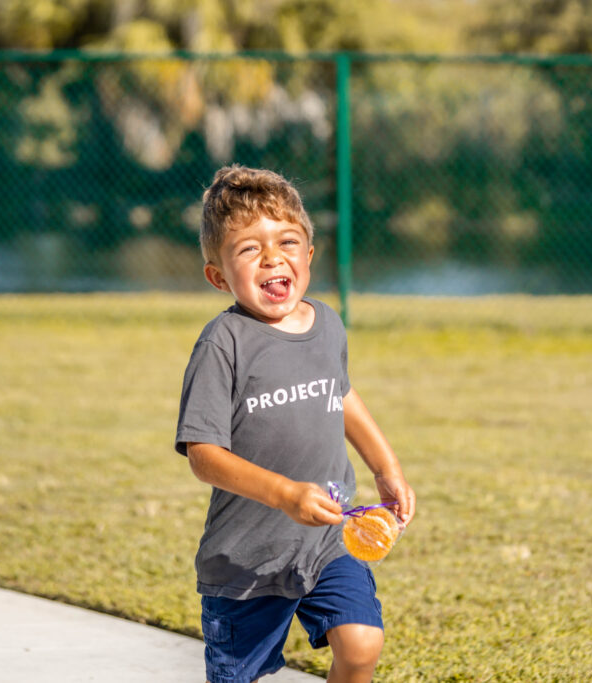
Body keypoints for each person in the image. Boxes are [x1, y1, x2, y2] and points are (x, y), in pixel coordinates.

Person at [175, 164, 416, 683]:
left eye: (286, 242)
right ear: (218, 276)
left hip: (328, 540)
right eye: (248, 250)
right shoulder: (223, 344)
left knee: (361, 642)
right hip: (247, 560)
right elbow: (203, 455)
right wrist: (285, 495)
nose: (271, 258)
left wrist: (385, 464)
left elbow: (341, 394)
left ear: (308, 255)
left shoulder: (326, 323)